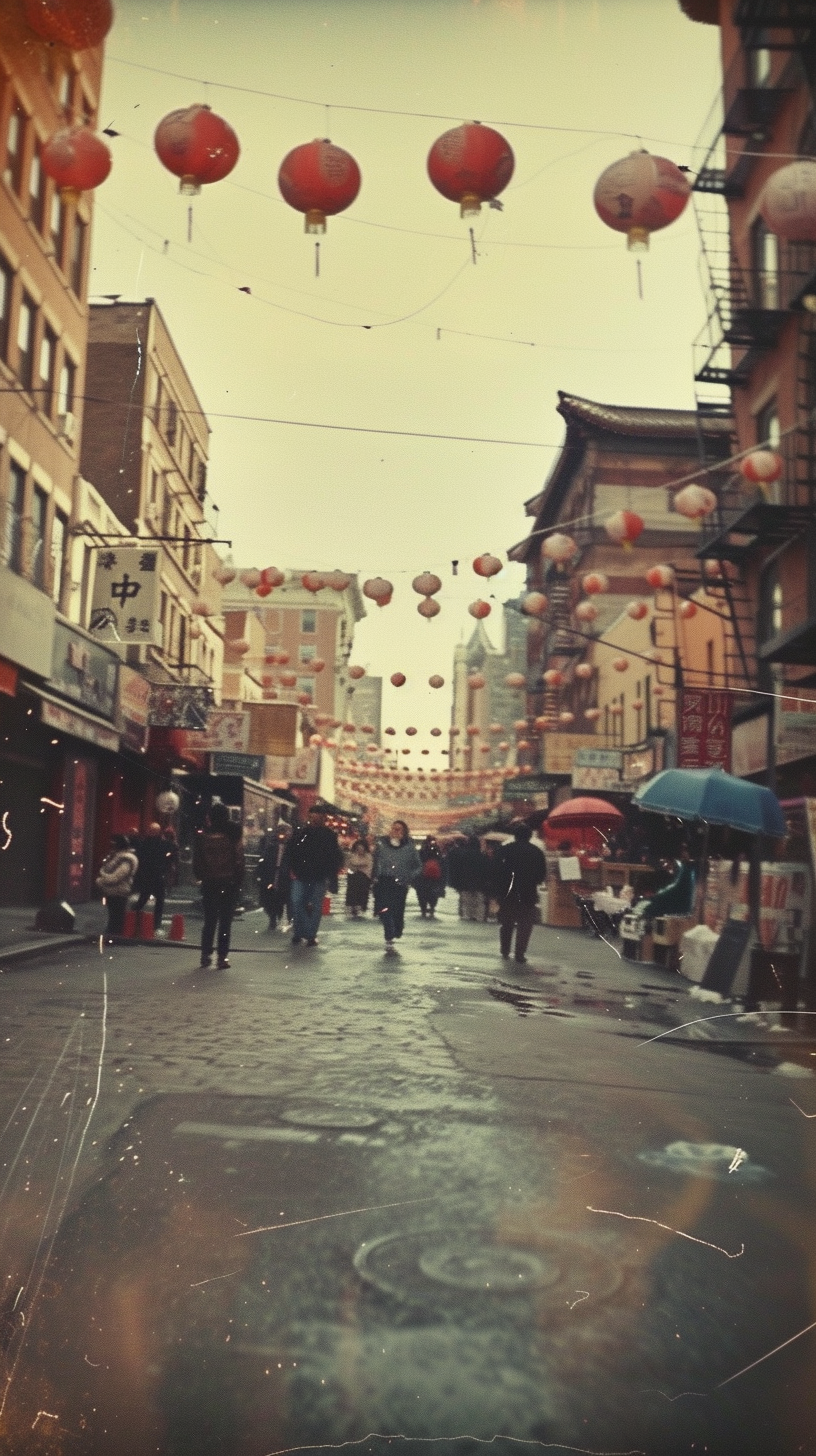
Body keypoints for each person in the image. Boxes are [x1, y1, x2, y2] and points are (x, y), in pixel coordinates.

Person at [192, 802, 245, 969]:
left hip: (209, 882)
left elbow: (197, 860)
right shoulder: (234, 833)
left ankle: (205, 955)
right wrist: (238, 879)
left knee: (209, 920)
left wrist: (201, 876)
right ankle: (222, 958)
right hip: (229, 882)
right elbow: (239, 858)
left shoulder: (203, 834)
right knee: (225, 921)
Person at [287, 805, 344, 947]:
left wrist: (332, 877)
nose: (313, 819)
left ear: (323, 818)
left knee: (314, 904)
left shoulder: (329, 835)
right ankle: (303, 931)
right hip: (301, 874)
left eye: (316, 816)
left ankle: (309, 934)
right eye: (311, 816)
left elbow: (333, 857)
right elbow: (292, 851)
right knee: (297, 902)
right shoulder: (301, 833)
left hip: (318, 875)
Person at [496, 821, 547, 965]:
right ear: (530, 836)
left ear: (515, 836)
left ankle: (505, 949)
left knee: (507, 923)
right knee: (525, 924)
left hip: (508, 892)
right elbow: (541, 874)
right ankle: (520, 953)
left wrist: (498, 889)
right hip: (528, 893)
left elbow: (496, 870)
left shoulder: (505, 850)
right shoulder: (536, 852)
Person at [372, 820, 421, 951]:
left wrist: (409, 876)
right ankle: (389, 934)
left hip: (400, 884)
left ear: (404, 832)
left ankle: (397, 929)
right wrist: (374, 876)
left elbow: (418, 866)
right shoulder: (382, 844)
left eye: (399, 829)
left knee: (397, 910)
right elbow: (374, 861)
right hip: (383, 881)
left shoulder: (409, 847)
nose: (395, 832)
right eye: (393, 829)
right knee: (383, 909)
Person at [96, 834, 139, 941]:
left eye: (113, 844)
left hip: (119, 890)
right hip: (113, 890)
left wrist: (101, 881)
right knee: (114, 915)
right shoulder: (117, 856)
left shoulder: (127, 859)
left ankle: (114, 938)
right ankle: (113, 937)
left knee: (116, 917)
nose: (111, 846)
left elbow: (117, 876)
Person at [133, 822, 171, 933]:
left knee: (143, 899)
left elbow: (140, 859)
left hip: (148, 876)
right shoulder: (163, 844)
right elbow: (171, 853)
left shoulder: (144, 843)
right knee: (159, 901)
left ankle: (132, 919)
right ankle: (156, 925)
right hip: (157, 876)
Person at [257, 824, 292, 931]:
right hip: (271, 874)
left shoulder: (291, 846)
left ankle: (286, 918)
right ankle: (273, 917)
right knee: (270, 897)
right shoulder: (270, 845)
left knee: (284, 897)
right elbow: (264, 859)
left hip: (284, 876)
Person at [455, 835, 490, 922]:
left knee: (466, 901)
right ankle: (479, 916)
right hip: (479, 882)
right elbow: (486, 870)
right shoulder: (482, 856)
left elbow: (459, 869)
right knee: (479, 901)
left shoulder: (463, 855)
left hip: (465, 881)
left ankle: (467, 915)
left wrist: (458, 882)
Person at [415, 835, 445, 919]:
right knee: (433, 894)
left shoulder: (422, 851)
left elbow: (417, 863)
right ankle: (432, 908)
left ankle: (423, 910)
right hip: (435, 878)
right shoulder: (437, 851)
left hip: (422, 877)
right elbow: (442, 863)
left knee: (422, 894)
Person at [345, 837, 373, 917]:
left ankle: (360, 906)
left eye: (361, 848)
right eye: (358, 849)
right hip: (353, 876)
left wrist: (357, 866)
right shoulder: (352, 855)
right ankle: (353, 905)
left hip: (364, 877)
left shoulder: (368, 856)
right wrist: (358, 866)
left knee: (362, 890)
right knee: (353, 888)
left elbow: (367, 865)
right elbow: (351, 864)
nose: (360, 850)